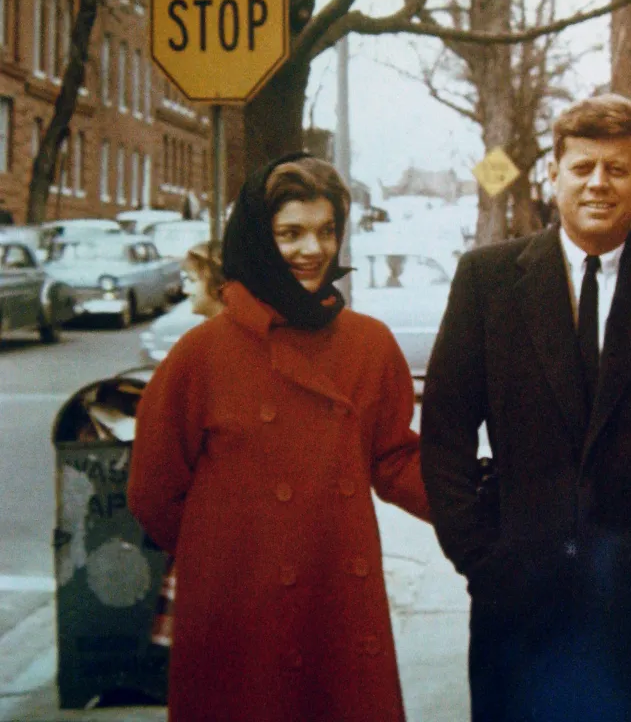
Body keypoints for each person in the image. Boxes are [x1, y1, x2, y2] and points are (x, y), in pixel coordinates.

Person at [420, 94, 631, 721]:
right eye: (582, 167)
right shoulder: (487, 281)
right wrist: (480, 558)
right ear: (554, 175)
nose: (599, 183)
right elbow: (444, 434)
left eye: (617, 168)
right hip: (517, 599)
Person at [128, 153, 430, 722]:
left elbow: (394, 459)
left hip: (336, 593)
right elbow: (153, 490)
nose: (313, 249)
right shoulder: (202, 353)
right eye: (290, 233)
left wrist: (487, 504)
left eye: (326, 231)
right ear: (258, 239)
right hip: (236, 605)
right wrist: (225, 553)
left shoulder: (369, 344)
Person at [148, 241, 225, 651]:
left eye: (193, 280)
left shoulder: (203, 348)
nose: (186, 289)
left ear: (216, 282)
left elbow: (152, 488)